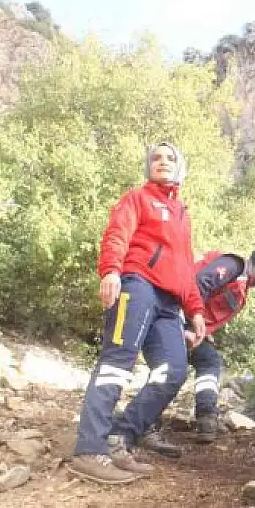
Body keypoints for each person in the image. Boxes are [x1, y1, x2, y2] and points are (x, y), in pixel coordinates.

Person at [67, 142, 208, 485]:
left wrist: (197, 310)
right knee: (117, 364)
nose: (162, 162)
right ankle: (89, 449)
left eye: (170, 158)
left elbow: (186, 268)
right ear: (149, 167)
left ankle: (120, 437)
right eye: (156, 158)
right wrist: (111, 271)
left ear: (181, 168)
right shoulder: (137, 199)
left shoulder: (182, 214)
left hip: (170, 303)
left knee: (173, 370)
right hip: (137, 285)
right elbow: (117, 233)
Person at [139, 244, 255, 456]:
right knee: (171, 368)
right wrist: (190, 325)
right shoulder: (234, 266)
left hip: (182, 321)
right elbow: (199, 284)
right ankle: (144, 424)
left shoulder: (242, 284)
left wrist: (203, 330)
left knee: (209, 359)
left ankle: (206, 418)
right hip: (170, 316)